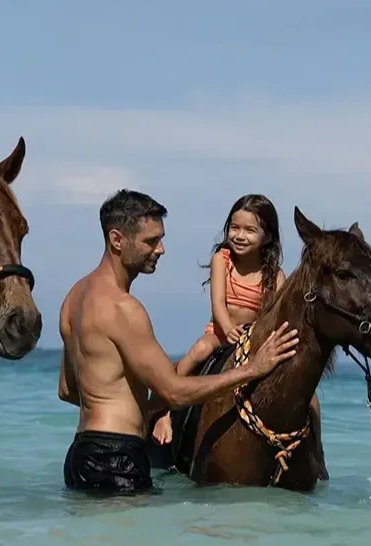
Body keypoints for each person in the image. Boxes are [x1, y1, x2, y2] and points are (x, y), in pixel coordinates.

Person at [57, 189, 300, 495]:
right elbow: (173, 392)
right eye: (151, 241)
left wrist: (119, 405)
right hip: (117, 458)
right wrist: (254, 369)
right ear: (117, 240)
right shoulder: (124, 309)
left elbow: (66, 390)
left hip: (81, 453)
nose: (161, 250)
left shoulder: (74, 298)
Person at [150, 194, 322, 457]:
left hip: (253, 340)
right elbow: (218, 303)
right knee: (198, 352)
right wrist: (228, 327)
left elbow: (275, 318)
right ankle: (163, 411)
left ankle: (315, 449)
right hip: (220, 333)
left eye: (250, 230)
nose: (240, 235)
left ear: (267, 237)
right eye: (234, 228)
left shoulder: (275, 275)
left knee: (309, 395)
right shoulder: (223, 259)